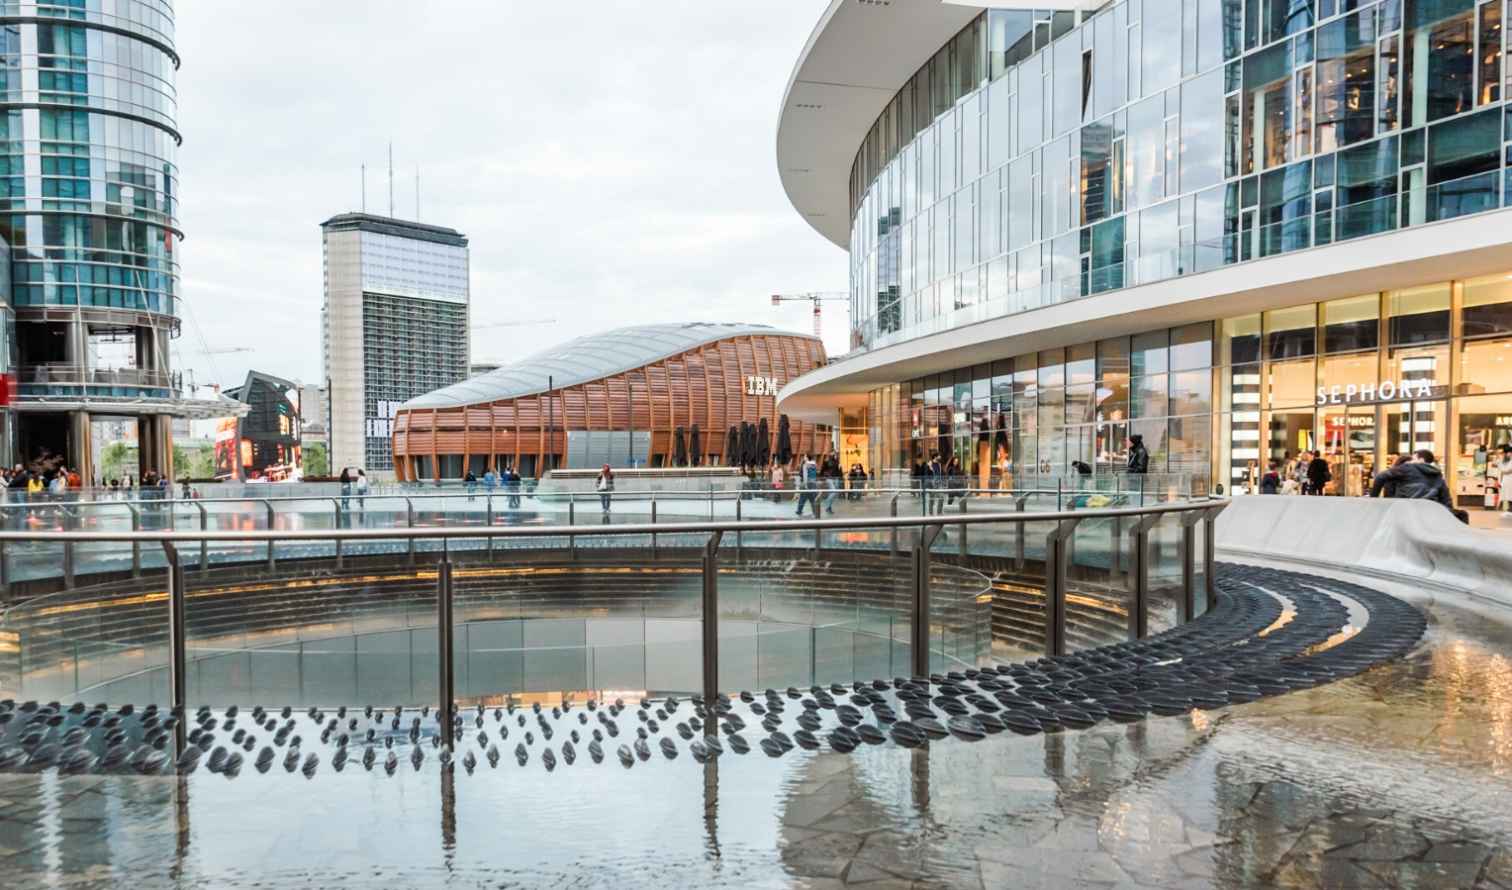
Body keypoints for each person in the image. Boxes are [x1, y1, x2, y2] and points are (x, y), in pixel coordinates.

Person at [1370, 449, 1455, 513]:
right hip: (1429, 511)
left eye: (1413, 459)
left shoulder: (1408, 468)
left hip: (1406, 510)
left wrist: (1373, 498)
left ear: (1421, 460)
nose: (1411, 462)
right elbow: (1446, 499)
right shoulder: (1438, 475)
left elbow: (1380, 477)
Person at [1497, 445, 1512, 512]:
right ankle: (1509, 509)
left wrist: (1504, 470)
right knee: (1508, 495)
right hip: (1507, 480)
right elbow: (1504, 470)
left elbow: (1508, 471)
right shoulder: (1505, 460)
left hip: (1509, 480)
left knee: (1509, 495)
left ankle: (1509, 509)